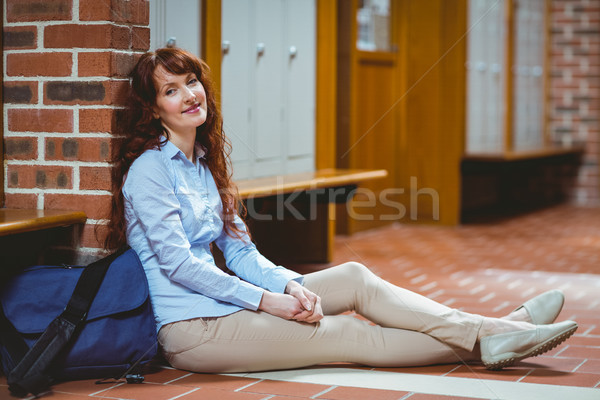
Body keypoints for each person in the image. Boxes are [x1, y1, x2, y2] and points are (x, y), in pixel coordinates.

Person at [105, 48, 577, 374]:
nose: (189, 95)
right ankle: (500, 333)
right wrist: (270, 301)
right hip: (194, 329)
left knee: (353, 276)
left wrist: (289, 284)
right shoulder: (150, 172)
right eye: (171, 91)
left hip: (229, 304)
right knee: (350, 335)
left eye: (191, 82)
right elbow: (179, 264)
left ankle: (497, 332)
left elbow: (242, 254)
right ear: (153, 110)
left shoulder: (203, 165)